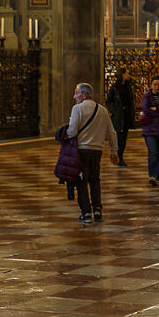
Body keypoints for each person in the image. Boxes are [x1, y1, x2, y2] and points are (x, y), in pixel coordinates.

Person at [62, 82, 119, 224]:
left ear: (84, 94)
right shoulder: (103, 110)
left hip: (82, 150)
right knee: (95, 179)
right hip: (97, 151)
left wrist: (65, 133)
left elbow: (72, 132)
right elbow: (111, 132)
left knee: (81, 181)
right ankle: (98, 209)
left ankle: (86, 212)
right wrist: (114, 151)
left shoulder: (77, 109)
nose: (74, 96)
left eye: (76, 93)